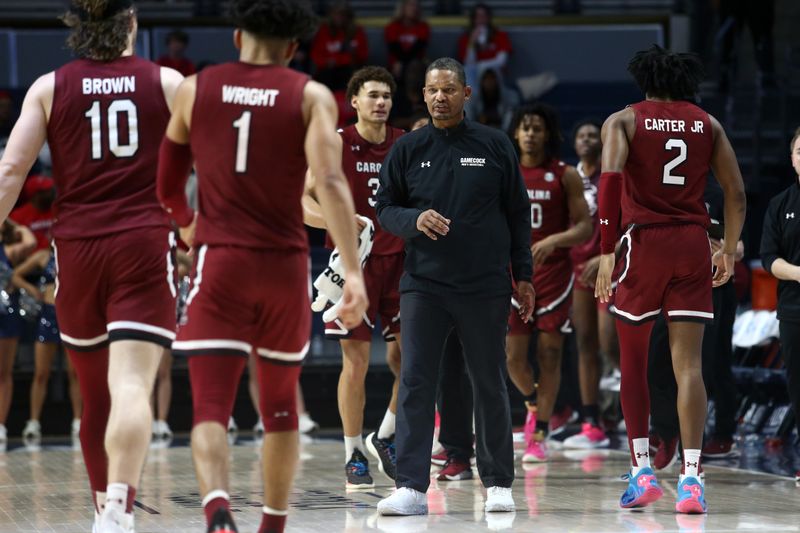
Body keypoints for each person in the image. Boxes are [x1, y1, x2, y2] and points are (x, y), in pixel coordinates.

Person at [156, 2, 368, 532]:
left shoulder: (193, 88)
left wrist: (185, 221)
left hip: (220, 262)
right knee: (279, 409)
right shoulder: (310, 95)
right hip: (281, 267)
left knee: (208, 405)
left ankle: (217, 509)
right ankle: (272, 525)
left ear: (235, 37)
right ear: (294, 48)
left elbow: (165, 185)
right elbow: (332, 184)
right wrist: (353, 270)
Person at [0, 1, 184, 530]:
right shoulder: (167, 81)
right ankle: (119, 509)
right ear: (131, 24)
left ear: (77, 30)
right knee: (131, 386)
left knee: (94, 390)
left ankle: (103, 501)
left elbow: (12, 171)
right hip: (143, 243)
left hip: (77, 250)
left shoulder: (48, 86)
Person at [375, 56, 534, 516]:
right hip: (424, 284)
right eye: (432, 90)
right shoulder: (408, 148)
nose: (440, 97)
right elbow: (385, 207)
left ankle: (499, 482)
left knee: (489, 381)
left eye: (448, 89)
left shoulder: (494, 144)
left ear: (466, 94)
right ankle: (410, 486)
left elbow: (517, 215)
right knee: (416, 382)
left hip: (485, 285)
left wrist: (522, 275)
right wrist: (413, 219)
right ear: (422, 95)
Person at [595, 45, 746, 514]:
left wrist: (605, 252)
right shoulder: (709, 123)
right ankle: (692, 478)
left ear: (644, 80)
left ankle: (642, 470)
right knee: (690, 368)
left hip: (645, 242)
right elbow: (736, 194)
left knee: (634, 361)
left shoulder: (624, 120)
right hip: (691, 242)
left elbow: (610, 185)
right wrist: (727, 249)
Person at [302, 65, 405, 489]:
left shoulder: (406, 144)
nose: (380, 102)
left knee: (413, 360)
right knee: (356, 363)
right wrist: (340, 219)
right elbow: (304, 204)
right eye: (372, 95)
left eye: (386, 96)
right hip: (353, 265)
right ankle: (352, 454)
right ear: (355, 101)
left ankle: (384, 436)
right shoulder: (336, 143)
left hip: (401, 263)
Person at [505, 103, 591, 463]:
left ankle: (540, 430)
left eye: (537, 128)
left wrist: (554, 241)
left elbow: (585, 226)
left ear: (547, 134)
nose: (530, 134)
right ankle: (533, 403)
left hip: (554, 274)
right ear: (515, 133)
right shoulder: (504, 172)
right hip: (512, 273)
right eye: (524, 127)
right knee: (514, 359)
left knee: (551, 353)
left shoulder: (565, 174)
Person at [563, 119, 618, 450]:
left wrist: (606, 256)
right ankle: (591, 420)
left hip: (608, 266)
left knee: (609, 342)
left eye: (592, 135)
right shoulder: (569, 177)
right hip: (576, 268)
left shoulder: (611, 176)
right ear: (574, 143)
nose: (586, 139)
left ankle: (639, 412)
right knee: (584, 342)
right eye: (580, 135)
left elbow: (622, 220)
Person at [760, 126, 800, 484]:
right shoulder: (780, 204)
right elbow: (769, 258)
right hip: (793, 311)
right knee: (798, 385)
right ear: (792, 158)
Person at [15, 247, 82, 441]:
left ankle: (78, 421)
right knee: (41, 373)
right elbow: (16, 274)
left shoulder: (76, 253)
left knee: (75, 373)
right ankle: (33, 422)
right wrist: (32, 289)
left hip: (71, 315)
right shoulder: (44, 256)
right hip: (48, 316)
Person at [0, 220, 36, 444]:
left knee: (4, 372)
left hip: (6, 314)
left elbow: (31, 241)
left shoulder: (8, 251)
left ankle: (1, 425)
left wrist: (16, 226)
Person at [310, 0, 368, 92]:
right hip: (326, 72)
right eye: (336, 14)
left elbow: (362, 55)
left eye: (342, 14)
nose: (339, 18)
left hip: (349, 71)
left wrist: (337, 60)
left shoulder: (357, 31)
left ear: (348, 16)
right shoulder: (324, 30)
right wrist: (327, 62)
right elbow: (316, 55)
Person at [457, 3, 512, 89]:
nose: (481, 19)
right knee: (466, 71)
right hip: (474, 78)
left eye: (483, 16)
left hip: (495, 76)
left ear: (489, 18)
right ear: (473, 19)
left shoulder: (500, 35)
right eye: (478, 16)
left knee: (487, 74)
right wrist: (472, 43)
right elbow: (469, 64)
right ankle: (472, 99)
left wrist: (482, 66)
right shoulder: (466, 39)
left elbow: (502, 61)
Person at [384, 0, 430, 80]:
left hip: (416, 65)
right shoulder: (392, 26)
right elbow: (394, 48)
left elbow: (417, 49)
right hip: (395, 64)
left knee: (415, 67)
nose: (414, 8)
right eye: (411, 5)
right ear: (402, 7)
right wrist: (399, 63)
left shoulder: (423, 27)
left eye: (416, 6)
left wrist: (403, 64)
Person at [10, 175, 55, 251]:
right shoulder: (17, 216)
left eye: (50, 189)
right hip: (31, 258)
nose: (50, 193)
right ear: (34, 195)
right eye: (45, 191)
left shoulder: (59, 210)